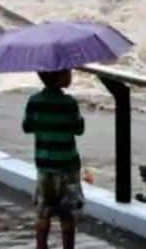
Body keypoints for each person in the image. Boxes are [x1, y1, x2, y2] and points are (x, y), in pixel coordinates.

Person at [23, 69, 85, 249]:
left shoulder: (33, 101)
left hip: (45, 167)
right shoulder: (69, 103)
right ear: (59, 76)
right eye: (67, 71)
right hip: (67, 167)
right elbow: (78, 129)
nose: (71, 74)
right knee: (68, 216)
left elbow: (27, 127)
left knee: (43, 214)